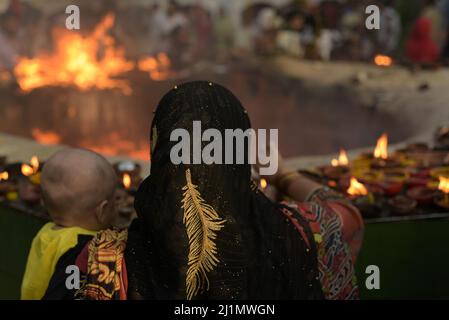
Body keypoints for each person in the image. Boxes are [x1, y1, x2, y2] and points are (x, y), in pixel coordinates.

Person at [120, 81, 363, 300]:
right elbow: (346, 215)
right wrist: (283, 176)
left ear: (158, 149)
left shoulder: (111, 260)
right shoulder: (303, 233)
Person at [21, 148, 120, 300]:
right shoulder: (84, 248)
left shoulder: (46, 232)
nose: (118, 204)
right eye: (115, 199)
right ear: (102, 210)